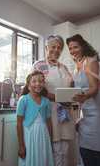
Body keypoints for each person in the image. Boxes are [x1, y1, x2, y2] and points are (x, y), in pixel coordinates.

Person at [66, 34, 100, 166]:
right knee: (85, 150)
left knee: (97, 151)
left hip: (98, 111)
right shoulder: (76, 66)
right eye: (70, 48)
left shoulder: (91, 60)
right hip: (86, 111)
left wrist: (82, 97)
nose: (73, 50)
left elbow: (94, 88)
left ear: (82, 46)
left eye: (76, 47)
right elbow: (78, 92)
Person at [33, 35, 76, 166]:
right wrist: (58, 98)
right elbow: (36, 86)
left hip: (65, 113)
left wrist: (73, 92)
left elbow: (71, 85)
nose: (56, 50)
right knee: (55, 149)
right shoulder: (39, 65)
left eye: (59, 48)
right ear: (46, 47)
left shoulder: (64, 67)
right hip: (49, 112)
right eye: (53, 47)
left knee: (65, 149)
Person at [16, 70, 54, 166]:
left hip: (43, 135)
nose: (38, 84)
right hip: (29, 135)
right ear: (28, 85)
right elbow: (19, 123)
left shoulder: (46, 101)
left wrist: (50, 141)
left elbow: (49, 122)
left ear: (43, 84)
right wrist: (21, 145)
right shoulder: (23, 100)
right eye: (34, 81)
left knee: (43, 159)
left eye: (41, 81)